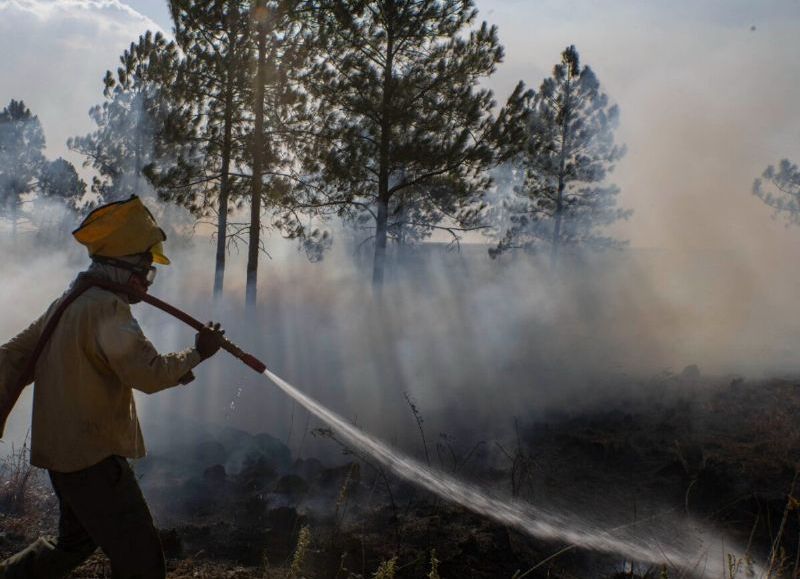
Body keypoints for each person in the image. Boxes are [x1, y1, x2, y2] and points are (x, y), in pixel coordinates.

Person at [0, 196, 225, 578]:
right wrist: (198, 354)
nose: (147, 284)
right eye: (146, 272)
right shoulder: (107, 308)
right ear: (124, 269)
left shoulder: (67, 302)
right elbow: (148, 374)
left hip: (63, 457)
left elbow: (12, 356)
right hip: (93, 461)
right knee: (142, 561)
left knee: (73, 544)